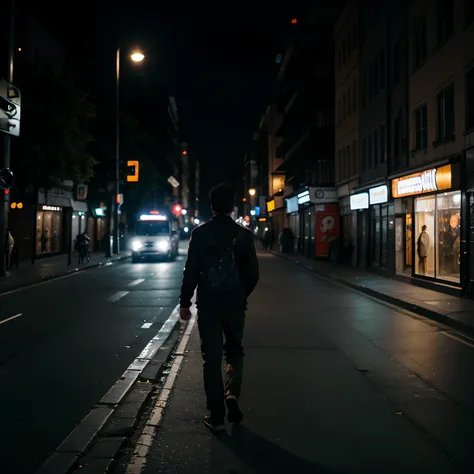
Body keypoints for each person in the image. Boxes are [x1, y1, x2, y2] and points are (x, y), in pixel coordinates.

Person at [179, 183, 259, 431]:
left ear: (211, 206)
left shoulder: (200, 234)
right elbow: (253, 274)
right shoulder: (244, 235)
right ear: (233, 207)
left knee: (210, 359)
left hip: (209, 304)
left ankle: (216, 414)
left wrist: (185, 302)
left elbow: (191, 270)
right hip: (234, 304)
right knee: (234, 351)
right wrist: (239, 294)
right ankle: (231, 394)